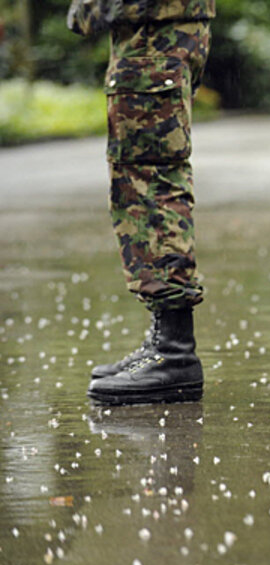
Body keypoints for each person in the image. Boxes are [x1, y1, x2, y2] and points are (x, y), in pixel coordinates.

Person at [67, 0, 215, 404]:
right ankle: (166, 342)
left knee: (150, 180)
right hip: (157, 31)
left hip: (156, 30)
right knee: (146, 175)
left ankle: (174, 352)